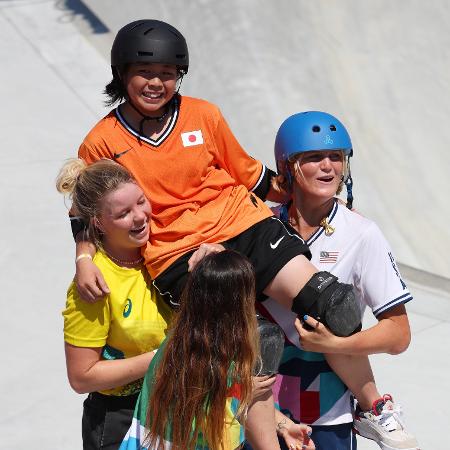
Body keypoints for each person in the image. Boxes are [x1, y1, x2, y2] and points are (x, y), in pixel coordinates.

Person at [74, 18, 362, 353]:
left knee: (337, 306)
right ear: (121, 73)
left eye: (167, 73)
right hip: (178, 252)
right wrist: (84, 261)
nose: (156, 83)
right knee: (256, 346)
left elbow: (251, 176)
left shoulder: (203, 115)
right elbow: (84, 212)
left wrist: (318, 200)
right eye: (145, 72)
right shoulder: (101, 143)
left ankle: (366, 403)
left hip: (244, 226)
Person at [259, 111, 419, 449]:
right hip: (259, 406)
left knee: (336, 306)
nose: (329, 167)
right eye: (314, 157)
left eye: (336, 157)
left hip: (329, 413)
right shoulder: (260, 227)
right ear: (288, 166)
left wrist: (337, 345)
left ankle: (373, 407)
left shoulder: (362, 234)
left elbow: (398, 334)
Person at [119, 251, 314, 450]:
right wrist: (241, 393)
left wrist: (282, 425)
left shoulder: (174, 343)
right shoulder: (231, 368)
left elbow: (225, 394)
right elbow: (226, 434)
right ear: (242, 301)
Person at [56, 158, 173, 449]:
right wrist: (164, 357)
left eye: (141, 202)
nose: (140, 216)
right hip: (120, 417)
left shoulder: (166, 248)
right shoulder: (94, 283)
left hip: (176, 404)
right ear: (97, 222)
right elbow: (82, 377)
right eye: (123, 213)